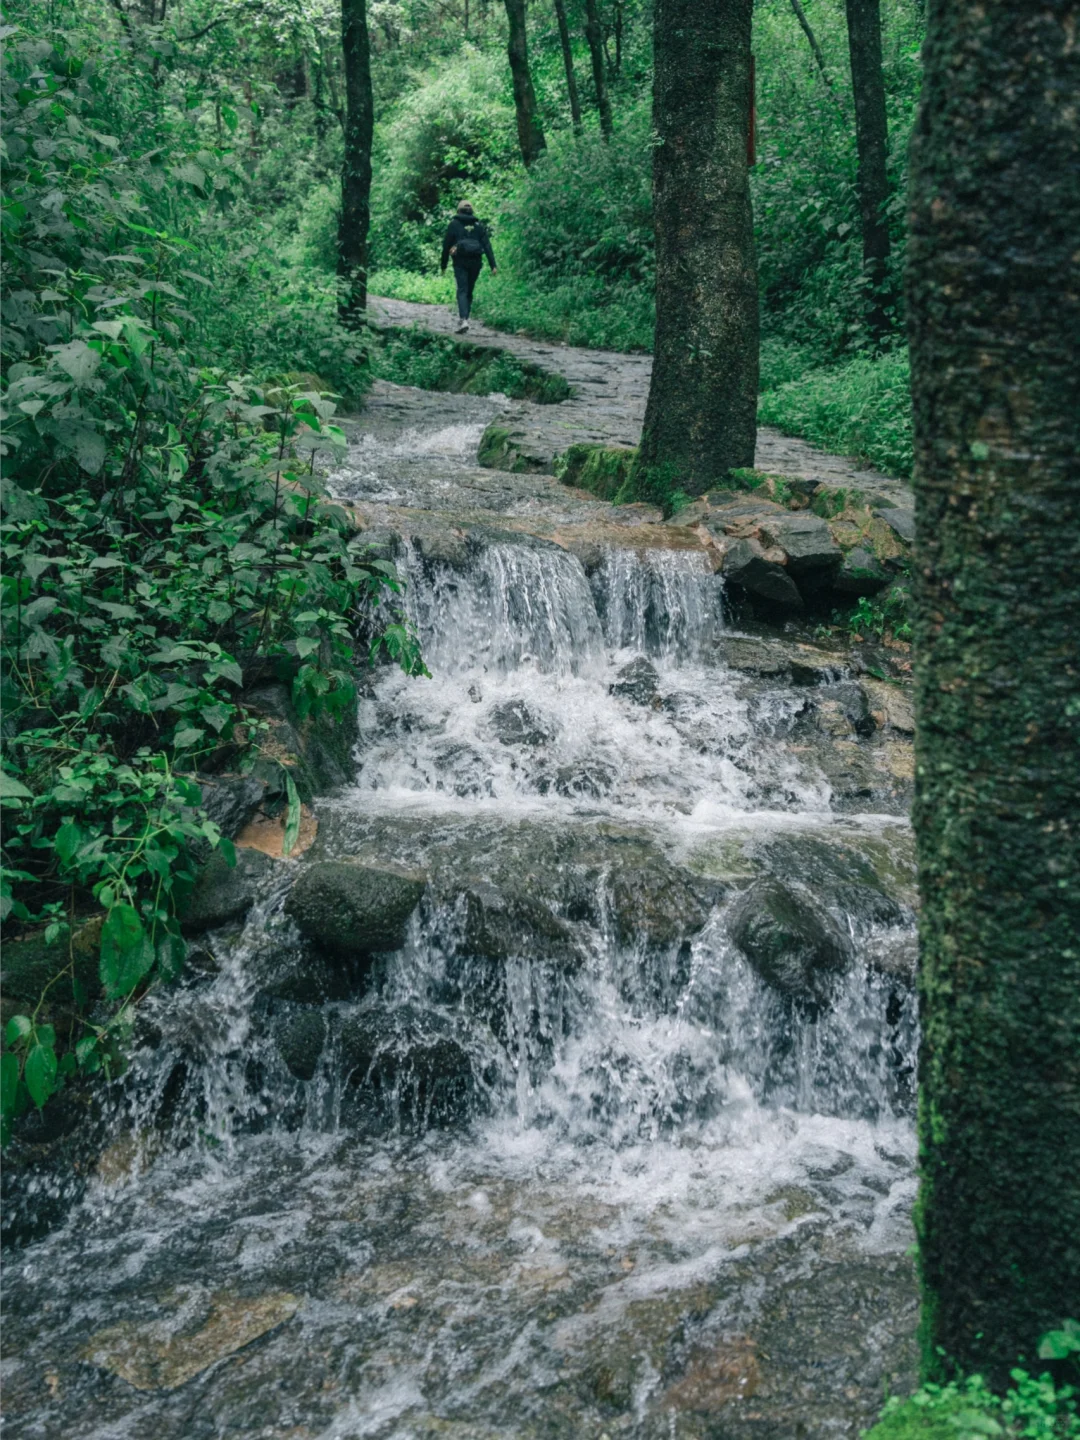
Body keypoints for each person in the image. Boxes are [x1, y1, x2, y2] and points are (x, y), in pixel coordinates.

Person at [440, 201, 496, 333]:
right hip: (476, 263)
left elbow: (446, 245)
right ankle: (465, 318)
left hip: (460, 262)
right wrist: (493, 265)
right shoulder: (478, 225)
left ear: (458, 210)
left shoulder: (454, 224)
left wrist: (443, 265)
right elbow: (487, 245)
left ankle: (463, 320)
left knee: (462, 290)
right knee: (469, 291)